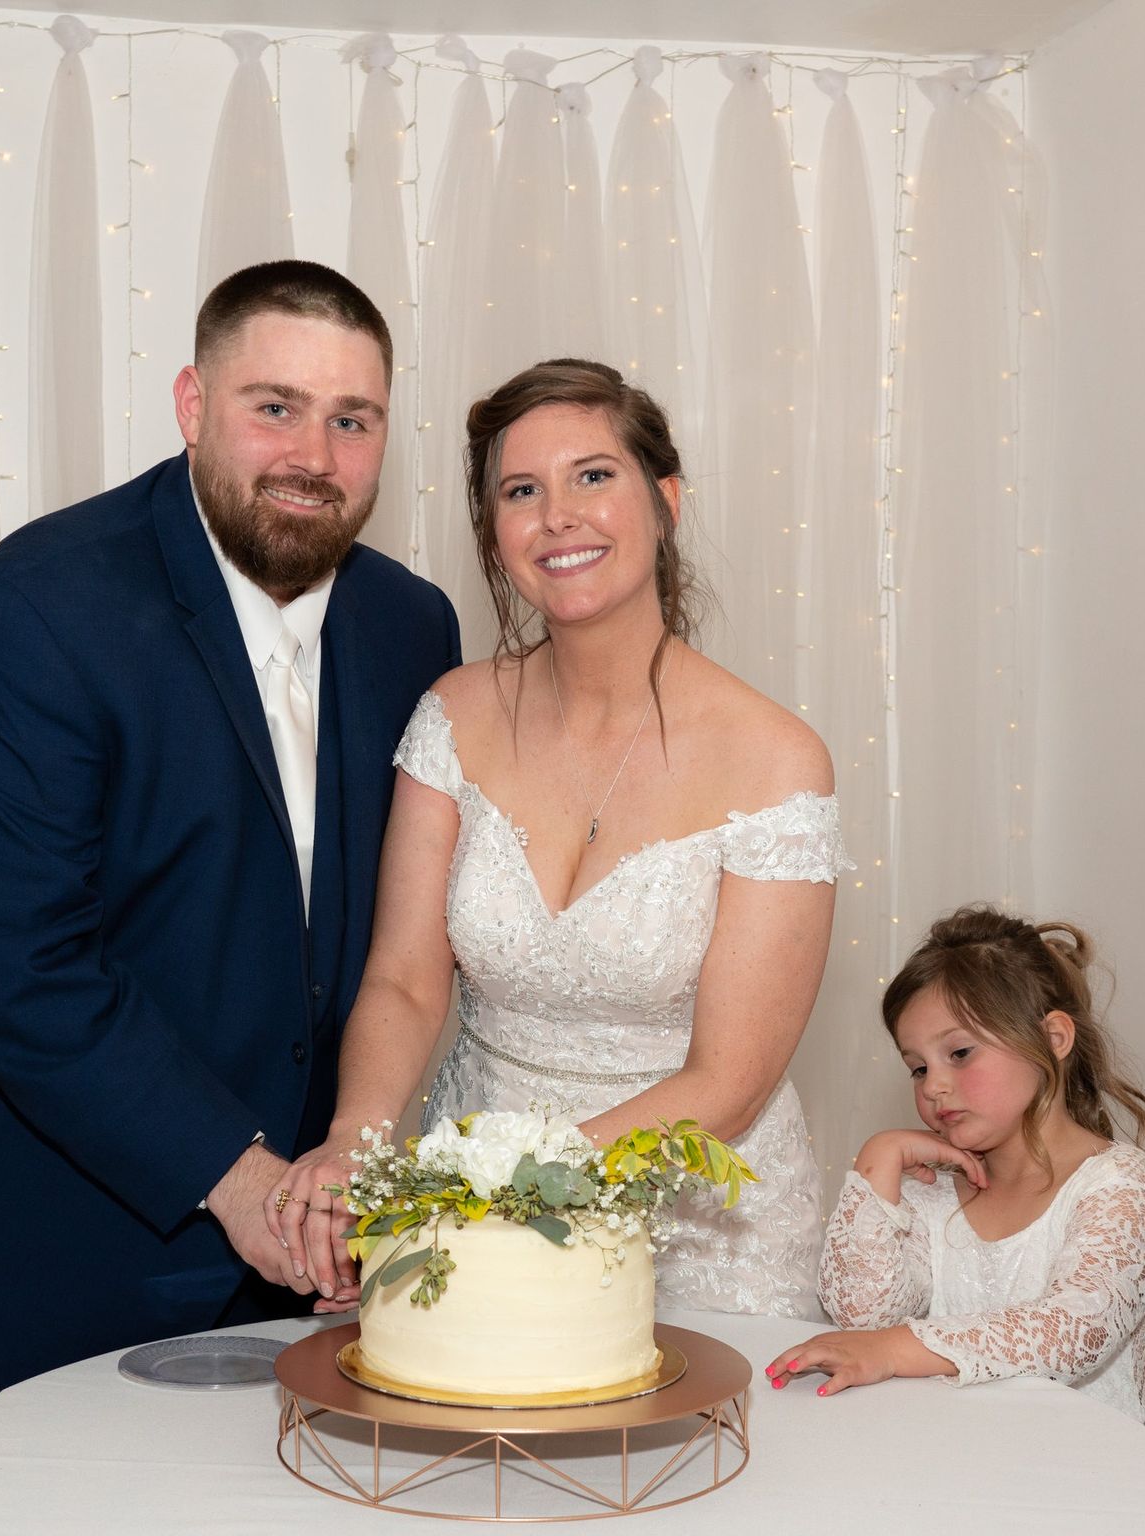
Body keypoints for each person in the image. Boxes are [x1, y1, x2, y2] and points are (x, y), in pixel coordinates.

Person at [0, 260, 461, 1469]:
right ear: (190, 403)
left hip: (301, 1258)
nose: (311, 454)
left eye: (352, 418)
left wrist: (331, 1171)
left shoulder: (412, 624)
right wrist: (241, 1182)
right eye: (272, 405)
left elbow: (383, 931)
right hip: (27, 1232)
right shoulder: (33, 611)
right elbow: (11, 964)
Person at [278, 359, 847, 1320]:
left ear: (663, 501)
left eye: (594, 476)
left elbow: (731, 1083)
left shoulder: (776, 760)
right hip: (463, 1217)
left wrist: (493, 1197)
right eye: (521, 491)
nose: (558, 517)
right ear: (494, 534)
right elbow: (405, 980)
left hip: (696, 1230)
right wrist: (356, 1143)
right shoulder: (453, 717)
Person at [765, 906, 1145, 1470]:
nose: (935, 1086)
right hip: (964, 1465)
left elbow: (1073, 1332)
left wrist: (894, 1349)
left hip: (1094, 1472)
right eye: (917, 1068)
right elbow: (863, 1319)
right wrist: (877, 1163)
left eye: (960, 1053)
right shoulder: (934, 1192)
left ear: (1053, 1037)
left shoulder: (1116, 1183)